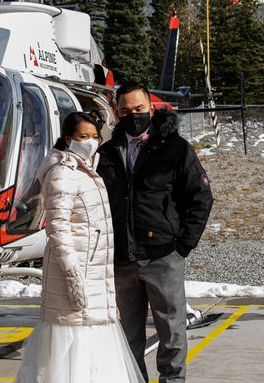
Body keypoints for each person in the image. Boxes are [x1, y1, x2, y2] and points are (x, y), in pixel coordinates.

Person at [15, 112, 144, 383]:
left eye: (95, 137)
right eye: (83, 137)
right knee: (72, 342)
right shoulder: (63, 172)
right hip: (75, 276)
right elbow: (58, 228)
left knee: (96, 343)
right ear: (68, 139)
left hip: (95, 276)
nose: (90, 142)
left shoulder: (87, 170)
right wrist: (72, 273)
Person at [97, 82, 213, 383]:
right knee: (127, 338)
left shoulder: (175, 148)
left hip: (163, 257)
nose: (133, 116)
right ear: (116, 112)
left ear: (151, 108)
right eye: (126, 111)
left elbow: (200, 196)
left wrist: (183, 245)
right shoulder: (106, 153)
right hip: (123, 261)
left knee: (172, 334)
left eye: (139, 109)